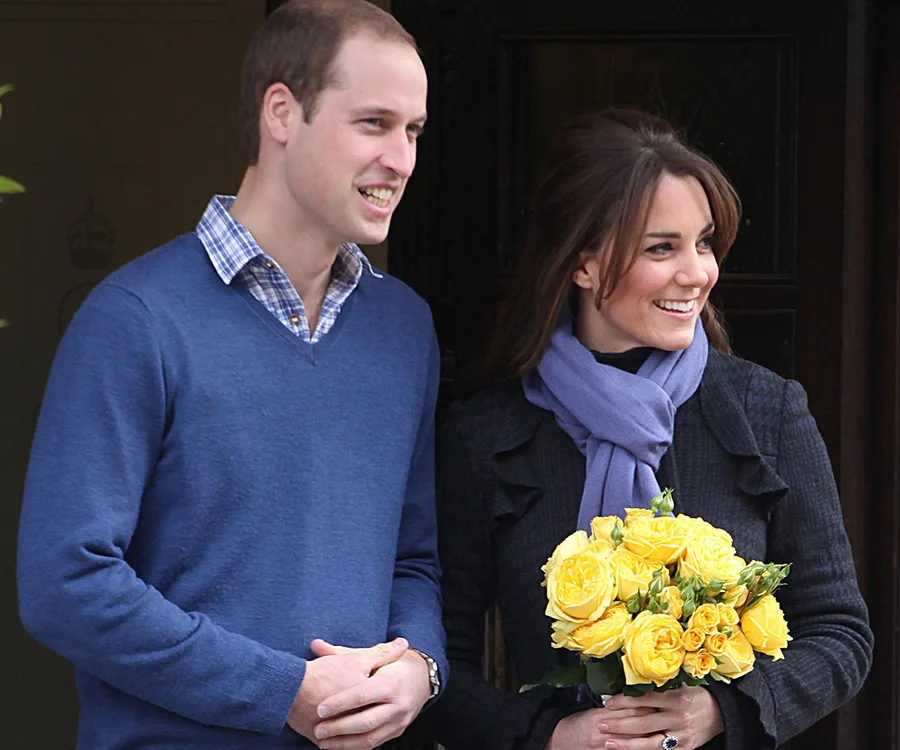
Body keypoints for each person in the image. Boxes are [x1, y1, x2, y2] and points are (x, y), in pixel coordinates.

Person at [17, 1, 445, 748]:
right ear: (282, 111)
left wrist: (420, 669)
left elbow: (412, 561)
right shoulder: (134, 318)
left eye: (413, 131)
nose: (402, 160)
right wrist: (281, 692)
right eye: (374, 124)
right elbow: (66, 585)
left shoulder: (403, 327)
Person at [422, 109, 872, 750]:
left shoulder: (766, 411)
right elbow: (437, 659)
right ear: (581, 265)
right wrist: (545, 737)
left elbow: (840, 633)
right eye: (662, 248)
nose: (697, 273)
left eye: (705, 242)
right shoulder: (487, 434)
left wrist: (721, 710)